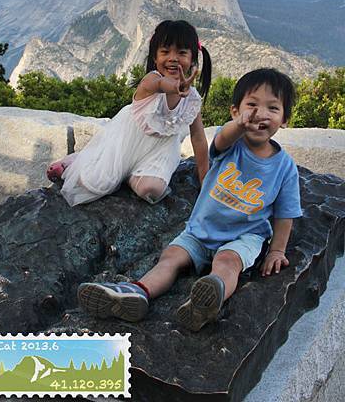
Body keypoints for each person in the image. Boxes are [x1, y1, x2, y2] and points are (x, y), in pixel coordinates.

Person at [77, 68, 302, 330]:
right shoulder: (231, 143)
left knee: (227, 263)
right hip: (200, 229)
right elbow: (221, 138)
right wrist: (239, 125)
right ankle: (138, 292)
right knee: (171, 257)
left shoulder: (285, 168)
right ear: (234, 112)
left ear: (284, 119)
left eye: (272, 108)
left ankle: (206, 301)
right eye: (251, 105)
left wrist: (276, 250)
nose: (259, 114)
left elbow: (285, 213)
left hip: (244, 236)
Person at [47, 20, 212, 206]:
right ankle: (73, 162)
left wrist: (204, 177)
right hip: (127, 143)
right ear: (155, 57)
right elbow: (161, 85)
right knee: (95, 183)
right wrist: (176, 86)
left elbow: (198, 137)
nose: (173, 58)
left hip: (161, 150)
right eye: (165, 52)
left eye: (181, 53)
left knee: (151, 190)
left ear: (192, 59)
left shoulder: (192, 98)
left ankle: (131, 175)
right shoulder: (151, 80)